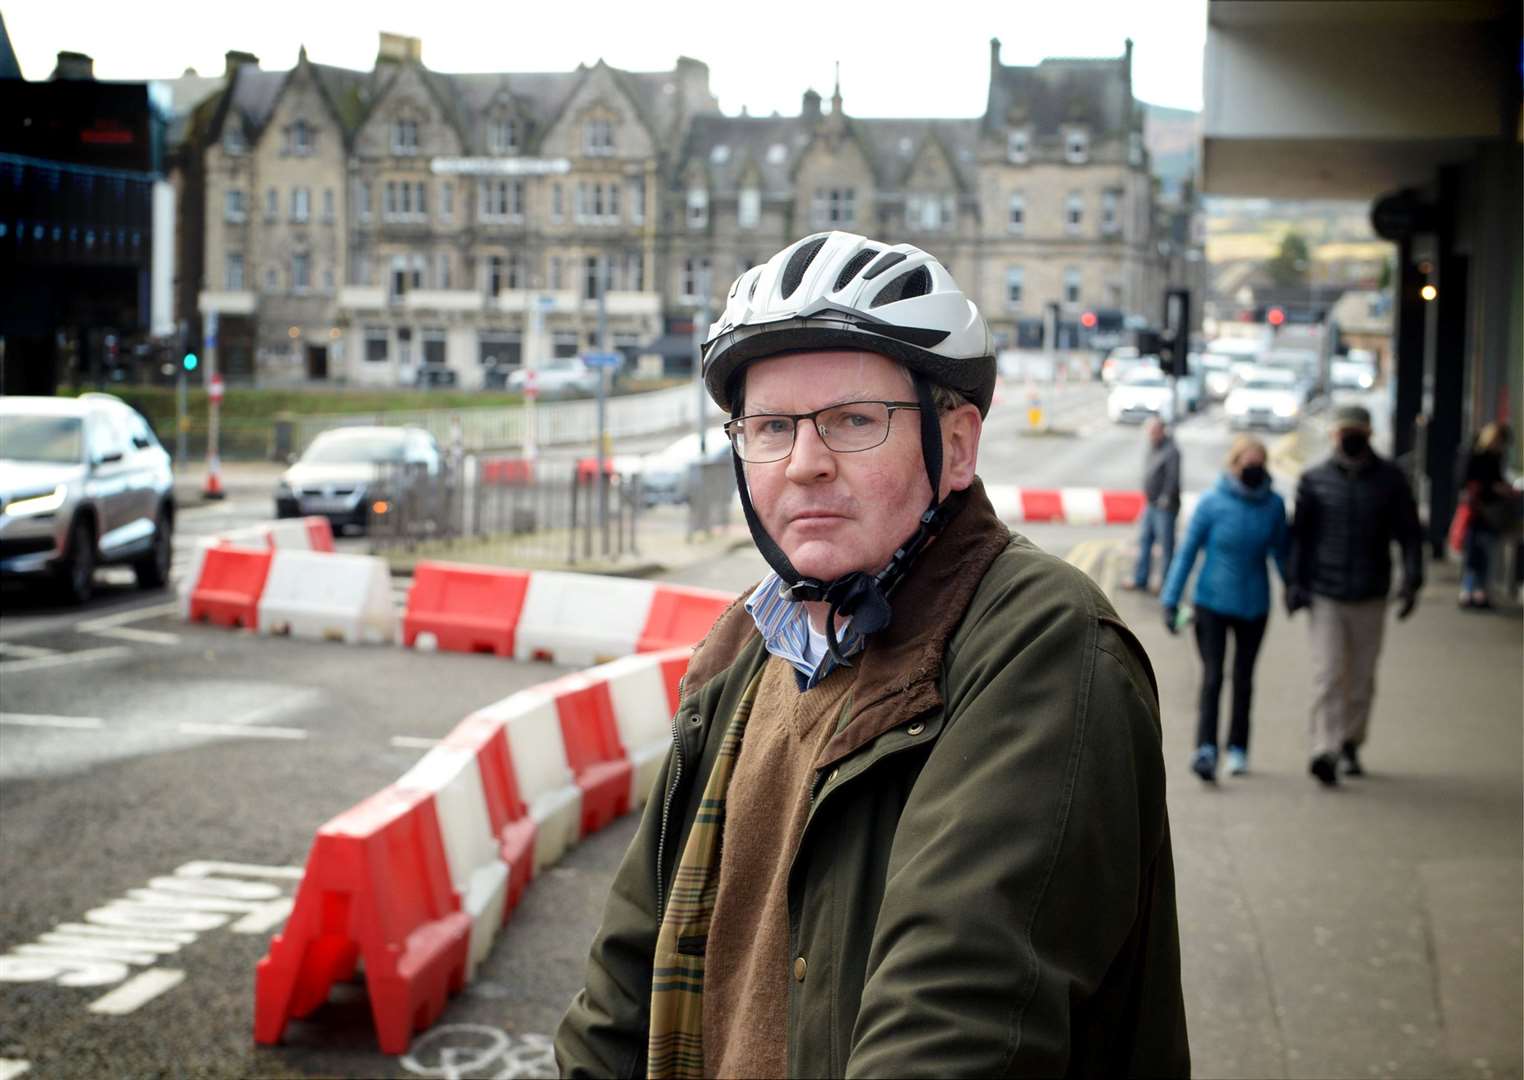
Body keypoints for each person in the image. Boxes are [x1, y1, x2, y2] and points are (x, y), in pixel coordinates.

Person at [555, 231, 1189, 1078]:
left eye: (854, 421)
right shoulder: (745, 651)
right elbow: (621, 986)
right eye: (771, 427)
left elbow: (954, 1023)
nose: (805, 464)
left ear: (955, 445)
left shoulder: (1043, 647)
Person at [1286, 404, 1423, 786]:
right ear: (1334, 436)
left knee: (1361, 679)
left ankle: (1350, 742)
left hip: (1371, 594)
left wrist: (1413, 580)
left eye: (1356, 431)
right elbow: (1300, 538)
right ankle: (1324, 750)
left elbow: (1410, 535)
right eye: (1344, 431)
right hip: (1325, 593)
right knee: (1328, 673)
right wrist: (1294, 584)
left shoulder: (1391, 481)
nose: (1349, 437)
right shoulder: (1314, 480)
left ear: (1368, 434)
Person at [1159, 436, 1289, 782]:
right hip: (1211, 604)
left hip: (1255, 606)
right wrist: (1170, 599)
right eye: (1246, 462)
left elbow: (1282, 552)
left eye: (1258, 463)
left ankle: (1238, 749)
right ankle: (1205, 749)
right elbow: (1186, 554)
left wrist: (1295, 586)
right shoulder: (1212, 504)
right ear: (1233, 464)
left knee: (1244, 679)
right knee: (1213, 677)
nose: (1252, 469)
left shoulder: (1274, 506)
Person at [1457, 423, 1515, 609]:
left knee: (1484, 552)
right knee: (1474, 551)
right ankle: (1470, 591)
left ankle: (1478, 591)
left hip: (1490, 510)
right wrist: (1492, 487)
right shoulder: (1474, 454)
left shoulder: (1494, 456)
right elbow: (1465, 480)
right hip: (1477, 510)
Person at [1124, 416, 1182, 593]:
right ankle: (1141, 578)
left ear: (1162, 431)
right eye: (1149, 432)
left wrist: (1165, 498)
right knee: (1145, 542)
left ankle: (1166, 583)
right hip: (1150, 503)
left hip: (1164, 506)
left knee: (1166, 546)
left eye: (1154, 432)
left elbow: (1173, 478)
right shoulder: (1152, 447)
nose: (1151, 435)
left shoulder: (1171, 451)